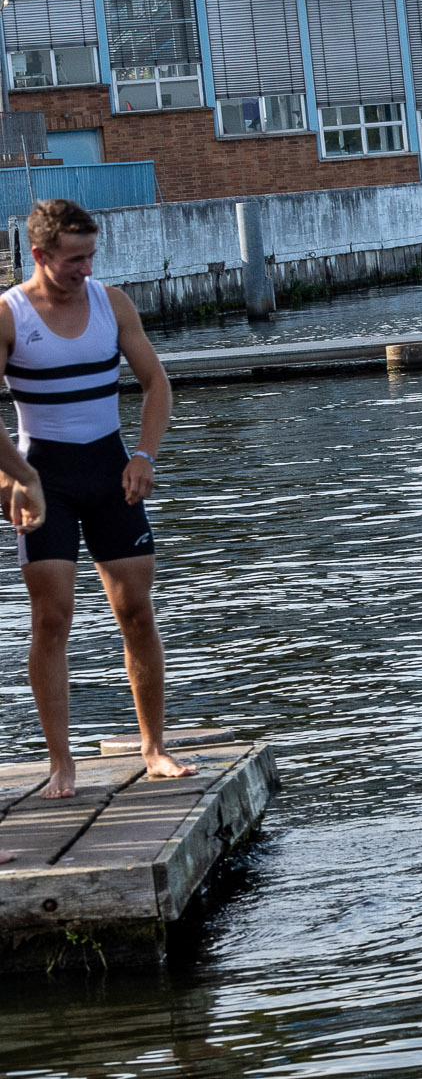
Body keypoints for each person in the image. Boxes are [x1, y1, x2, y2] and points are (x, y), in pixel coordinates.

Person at [2, 197, 192, 801]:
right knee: (52, 617)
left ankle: (154, 749)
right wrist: (17, 476)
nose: (86, 269)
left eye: (91, 256)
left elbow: (157, 383)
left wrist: (145, 455)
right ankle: (62, 764)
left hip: (112, 471)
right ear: (39, 255)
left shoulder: (113, 304)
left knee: (136, 611)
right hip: (45, 479)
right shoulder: (9, 315)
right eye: (73, 259)